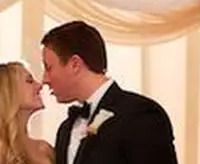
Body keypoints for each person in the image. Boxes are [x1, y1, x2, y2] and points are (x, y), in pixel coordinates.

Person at [40, 21, 178, 164]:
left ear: (75, 64)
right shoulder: (65, 129)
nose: (44, 79)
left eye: (48, 67)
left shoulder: (140, 114)